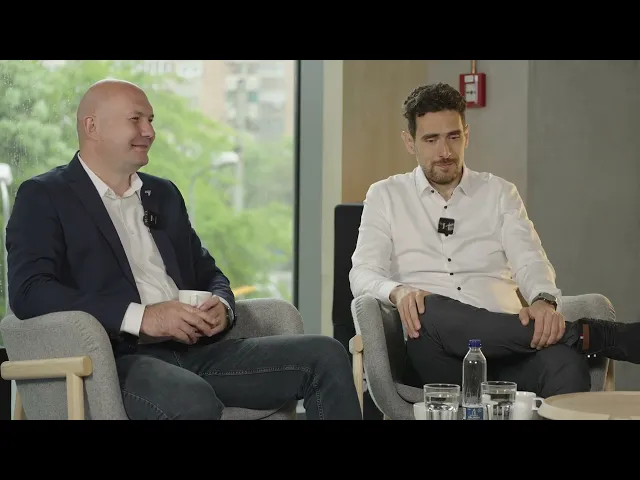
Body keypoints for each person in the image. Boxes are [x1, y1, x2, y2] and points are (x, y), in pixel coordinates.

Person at [6, 78, 362, 420]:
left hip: (198, 351)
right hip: (116, 362)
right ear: (92, 127)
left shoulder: (162, 194)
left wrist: (222, 306)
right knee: (189, 397)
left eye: (151, 120)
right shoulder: (45, 196)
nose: (149, 131)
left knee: (326, 355)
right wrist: (142, 317)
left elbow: (208, 272)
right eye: (136, 119)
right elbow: (29, 291)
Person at [349, 82, 640, 398]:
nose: (444, 152)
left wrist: (543, 301)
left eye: (453, 137)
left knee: (567, 364)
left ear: (467, 135)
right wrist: (398, 292)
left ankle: (576, 341)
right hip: (437, 354)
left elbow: (529, 259)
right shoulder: (386, 196)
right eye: (431, 140)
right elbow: (362, 273)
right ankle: (590, 335)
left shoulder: (500, 193)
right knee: (426, 308)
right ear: (410, 142)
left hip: (511, 347)